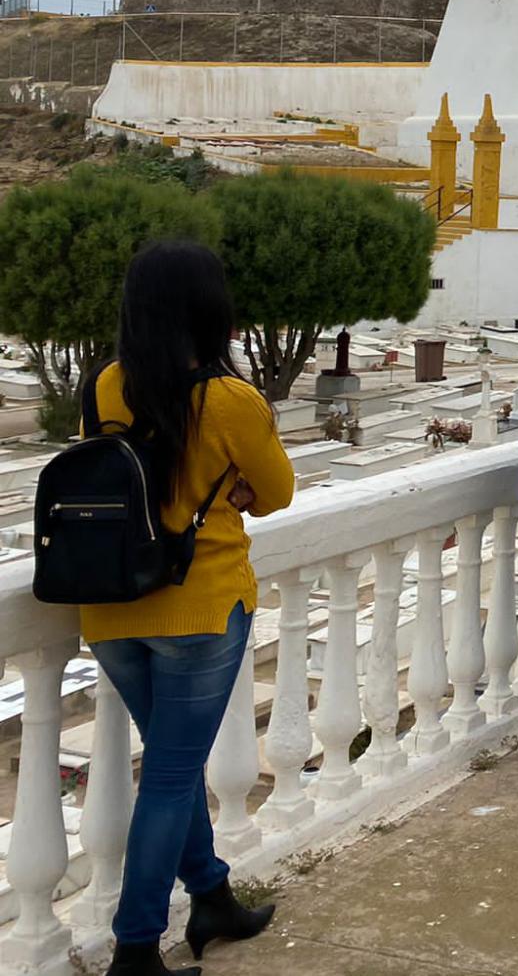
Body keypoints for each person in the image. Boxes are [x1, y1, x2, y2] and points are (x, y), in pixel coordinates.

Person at [82, 241, 295, 976]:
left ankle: (212, 895)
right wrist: (232, 484)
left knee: (173, 770)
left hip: (112, 610)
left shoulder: (106, 385)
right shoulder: (230, 399)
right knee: (171, 779)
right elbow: (276, 493)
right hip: (200, 610)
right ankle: (136, 948)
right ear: (211, 310)